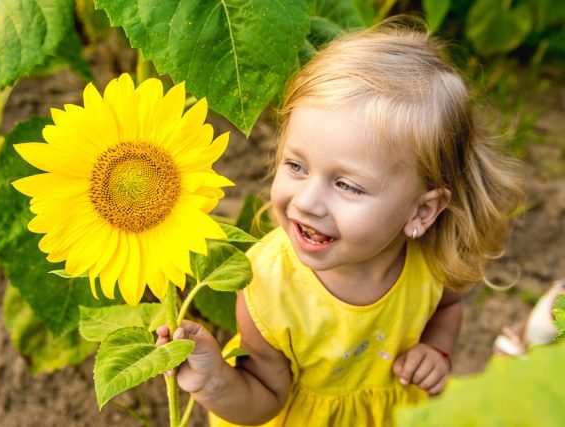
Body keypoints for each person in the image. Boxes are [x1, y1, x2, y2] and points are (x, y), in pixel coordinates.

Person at [156, 18, 523, 426]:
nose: (308, 201)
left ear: (421, 211)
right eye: (296, 165)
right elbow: (264, 398)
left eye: (347, 185)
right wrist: (214, 383)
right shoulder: (266, 283)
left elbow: (447, 308)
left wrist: (436, 349)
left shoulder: (433, 262)